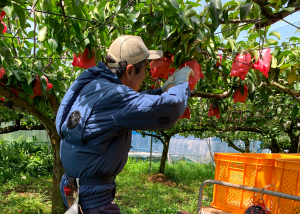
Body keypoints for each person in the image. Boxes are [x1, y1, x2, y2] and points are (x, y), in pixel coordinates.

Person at [56, 35, 193, 213]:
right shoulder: (114, 96)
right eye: (144, 69)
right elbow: (170, 110)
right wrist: (182, 85)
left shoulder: (92, 83)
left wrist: (161, 90)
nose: (146, 75)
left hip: (74, 187)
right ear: (129, 71)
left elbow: (128, 105)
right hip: (93, 200)